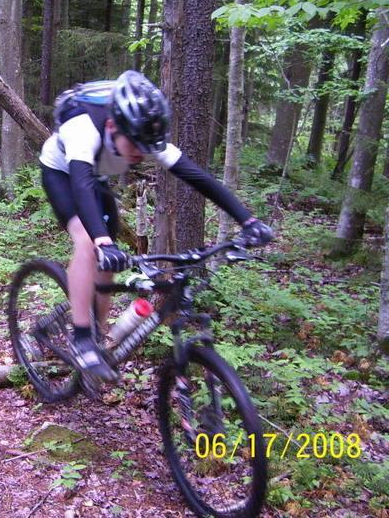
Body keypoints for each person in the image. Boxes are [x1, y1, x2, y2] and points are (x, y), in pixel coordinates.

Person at [38, 70, 273, 382]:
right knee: (87, 243)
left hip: (95, 178)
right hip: (63, 174)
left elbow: (198, 177)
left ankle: (99, 335)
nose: (140, 154)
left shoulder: (144, 138)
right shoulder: (83, 130)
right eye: (134, 145)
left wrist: (248, 219)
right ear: (112, 126)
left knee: (107, 269)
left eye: (145, 147)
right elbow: (80, 184)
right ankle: (81, 338)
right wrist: (101, 241)